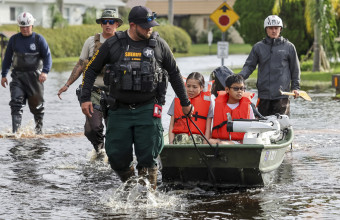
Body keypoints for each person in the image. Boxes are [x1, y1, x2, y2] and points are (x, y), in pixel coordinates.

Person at [80, 6, 193, 189]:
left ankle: (149, 197)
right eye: (145, 26)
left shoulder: (160, 45)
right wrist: (85, 98)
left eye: (151, 25)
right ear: (132, 25)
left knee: (148, 157)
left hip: (148, 108)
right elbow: (91, 69)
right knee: (116, 156)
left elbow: (174, 73)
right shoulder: (113, 44)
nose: (150, 29)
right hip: (118, 109)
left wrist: (185, 103)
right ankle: (131, 183)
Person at [57, 9, 122, 154]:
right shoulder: (91, 42)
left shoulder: (122, 42)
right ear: (101, 24)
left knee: (115, 129)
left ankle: (111, 155)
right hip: (94, 90)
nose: (108, 25)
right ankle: (100, 149)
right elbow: (80, 64)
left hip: (115, 93)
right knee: (92, 128)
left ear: (117, 24)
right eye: (104, 21)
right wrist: (67, 84)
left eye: (111, 22)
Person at [238, 15, 300, 116]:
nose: (274, 31)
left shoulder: (289, 47)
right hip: (264, 96)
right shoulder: (258, 47)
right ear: (266, 29)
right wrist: (239, 79)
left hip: (282, 96)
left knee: (281, 126)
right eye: (271, 28)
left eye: (276, 28)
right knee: (263, 124)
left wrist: (295, 87)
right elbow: (249, 66)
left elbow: (295, 69)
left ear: (281, 29)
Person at [1, 12, 52, 134]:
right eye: (22, 27)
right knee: (15, 103)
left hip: (35, 78)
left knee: (37, 107)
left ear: (32, 25)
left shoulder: (39, 39)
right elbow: (7, 58)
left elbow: (48, 57)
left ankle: (39, 132)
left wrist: (45, 72)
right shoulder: (14, 40)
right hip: (18, 77)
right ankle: (16, 132)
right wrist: (3, 75)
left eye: (27, 26)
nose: (24, 29)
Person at [168, 72, 213, 144]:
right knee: (182, 138)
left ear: (201, 88)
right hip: (180, 137)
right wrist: (171, 142)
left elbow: (208, 127)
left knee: (194, 139)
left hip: (198, 138)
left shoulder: (208, 102)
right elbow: (171, 125)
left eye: (194, 87)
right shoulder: (177, 99)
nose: (191, 90)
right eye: (188, 86)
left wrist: (205, 144)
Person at [209, 74, 255, 144]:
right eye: (236, 89)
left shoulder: (248, 107)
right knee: (209, 141)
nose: (239, 91)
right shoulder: (216, 105)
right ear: (227, 89)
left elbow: (253, 127)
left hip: (240, 142)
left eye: (242, 89)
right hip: (220, 139)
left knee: (222, 144)